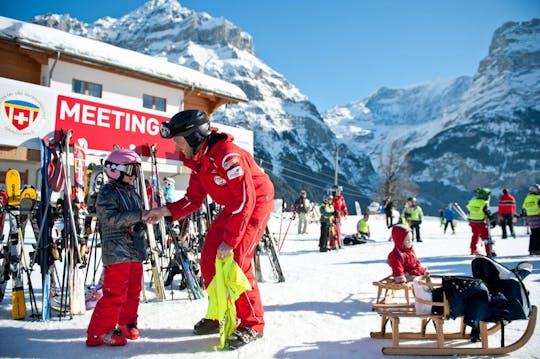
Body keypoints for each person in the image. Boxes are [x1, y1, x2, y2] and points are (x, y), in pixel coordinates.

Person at [142, 109, 274, 349]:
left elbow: (246, 200)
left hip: (255, 202)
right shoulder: (199, 161)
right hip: (236, 205)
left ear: (194, 137)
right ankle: (220, 314)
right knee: (209, 258)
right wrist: (164, 211)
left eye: (179, 141)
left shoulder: (227, 156)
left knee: (238, 262)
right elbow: (193, 199)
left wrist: (231, 240)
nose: (176, 147)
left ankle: (252, 323)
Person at [86, 149, 148, 347]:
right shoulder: (107, 192)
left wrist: (146, 219)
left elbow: (135, 217)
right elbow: (110, 219)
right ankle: (98, 332)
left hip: (134, 250)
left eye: (137, 171)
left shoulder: (133, 193)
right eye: (131, 170)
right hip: (117, 251)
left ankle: (126, 322)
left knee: (133, 291)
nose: (134, 175)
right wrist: (139, 215)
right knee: (115, 294)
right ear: (115, 170)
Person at [466, 187, 495, 256]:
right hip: (481, 222)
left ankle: (473, 250)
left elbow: (469, 209)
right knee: (486, 237)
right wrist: (493, 221)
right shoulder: (484, 203)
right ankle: (489, 252)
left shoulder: (472, 202)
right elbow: (488, 213)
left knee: (475, 235)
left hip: (472, 222)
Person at [522, 184, 540, 255]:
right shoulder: (538, 198)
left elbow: (524, 208)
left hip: (530, 219)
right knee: (538, 234)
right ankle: (537, 249)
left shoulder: (527, 198)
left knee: (533, 234)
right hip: (538, 218)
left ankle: (531, 249)